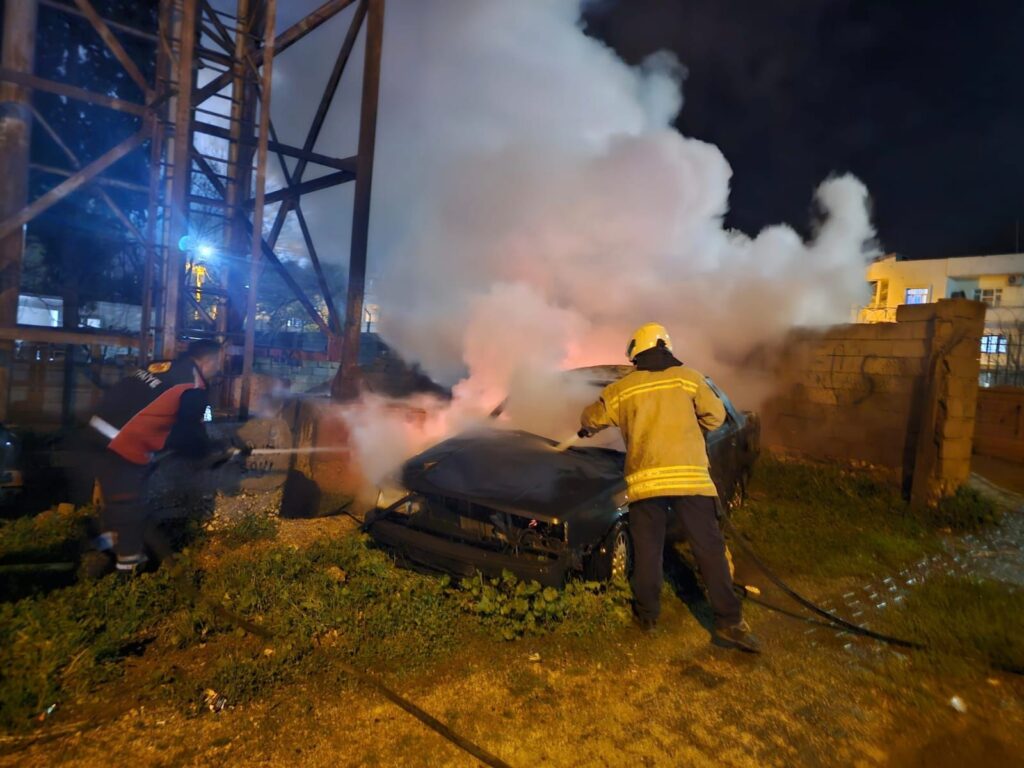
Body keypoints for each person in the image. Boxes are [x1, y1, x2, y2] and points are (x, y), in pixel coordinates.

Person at [578, 323, 760, 653]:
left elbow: (592, 417)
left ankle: (647, 616)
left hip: (647, 483)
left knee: (648, 550)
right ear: (666, 347)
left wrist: (587, 426)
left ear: (636, 354)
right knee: (709, 548)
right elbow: (716, 418)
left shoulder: (625, 387)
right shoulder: (690, 378)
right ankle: (730, 623)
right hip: (692, 480)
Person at [85, 339, 231, 576]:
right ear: (209, 360)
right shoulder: (193, 388)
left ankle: (100, 549)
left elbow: (154, 408)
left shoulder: (161, 366)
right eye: (220, 362)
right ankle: (129, 574)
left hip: (96, 432)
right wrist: (215, 451)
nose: (221, 368)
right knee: (130, 510)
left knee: (117, 504)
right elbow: (188, 436)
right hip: (122, 445)